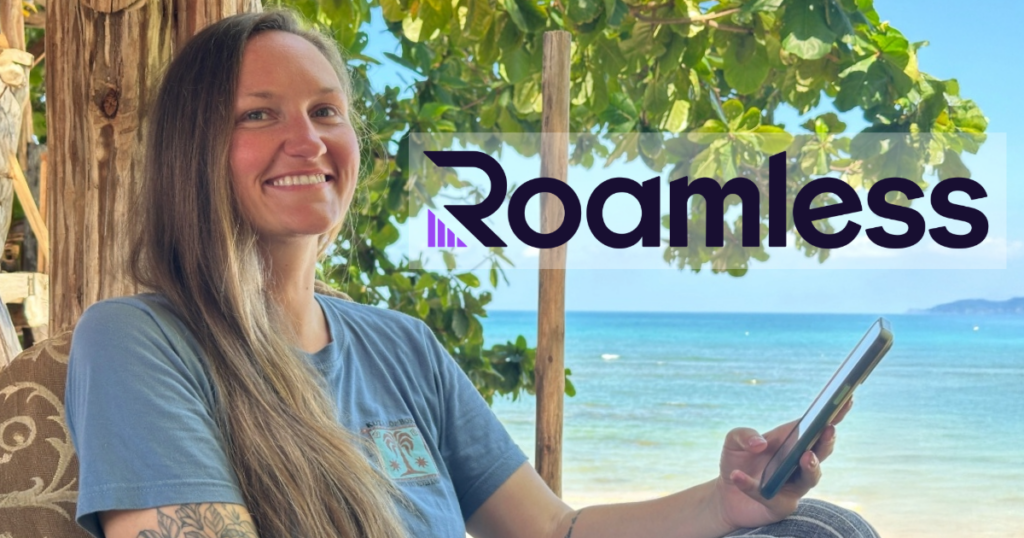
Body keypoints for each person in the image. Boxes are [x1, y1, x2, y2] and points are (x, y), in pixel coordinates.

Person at [65, 10, 879, 538]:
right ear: (191, 150)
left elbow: (553, 531)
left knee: (822, 530)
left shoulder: (402, 347)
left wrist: (724, 498)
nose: (307, 140)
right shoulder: (139, 341)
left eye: (325, 110)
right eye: (258, 113)